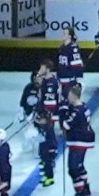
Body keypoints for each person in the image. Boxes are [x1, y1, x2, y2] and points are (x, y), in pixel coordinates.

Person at [24, 57, 64, 188]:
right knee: (43, 144)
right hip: (43, 118)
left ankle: (49, 173)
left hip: (47, 119)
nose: (40, 70)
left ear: (47, 69)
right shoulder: (45, 82)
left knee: (47, 145)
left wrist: (44, 116)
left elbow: (51, 103)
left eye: (42, 68)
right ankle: (46, 165)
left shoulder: (51, 83)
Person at [60, 79, 97, 196]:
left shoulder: (76, 111)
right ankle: (86, 189)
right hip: (85, 139)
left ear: (73, 95)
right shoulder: (84, 106)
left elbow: (65, 125)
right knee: (79, 166)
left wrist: (62, 111)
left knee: (73, 169)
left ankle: (80, 195)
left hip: (78, 141)